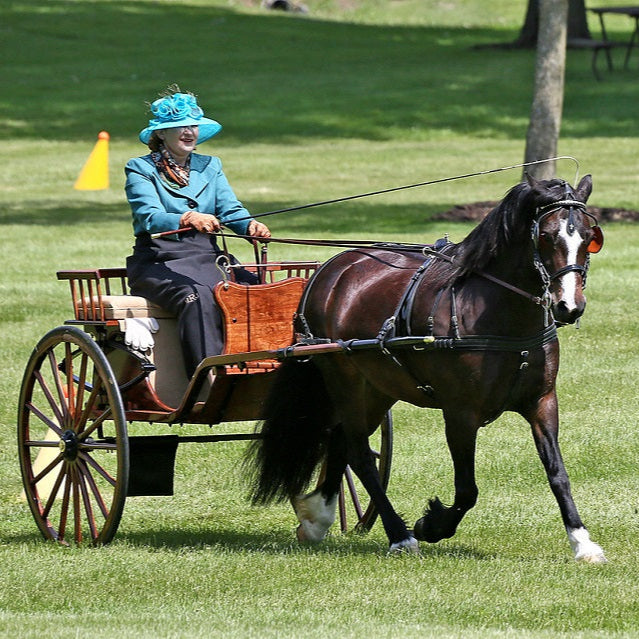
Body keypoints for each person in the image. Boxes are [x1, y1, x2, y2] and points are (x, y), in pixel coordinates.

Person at [125, 87, 271, 378]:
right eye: (179, 126)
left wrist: (249, 226)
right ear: (161, 134)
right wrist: (188, 217)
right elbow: (149, 216)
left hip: (208, 257)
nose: (189, 132)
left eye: (193, 125)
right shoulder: (140, 168)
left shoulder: (211, 165)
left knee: (259, 291)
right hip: (159, 261)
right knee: (199, 296)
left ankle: (263, 369)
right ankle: (209, 376)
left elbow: (230, 210)